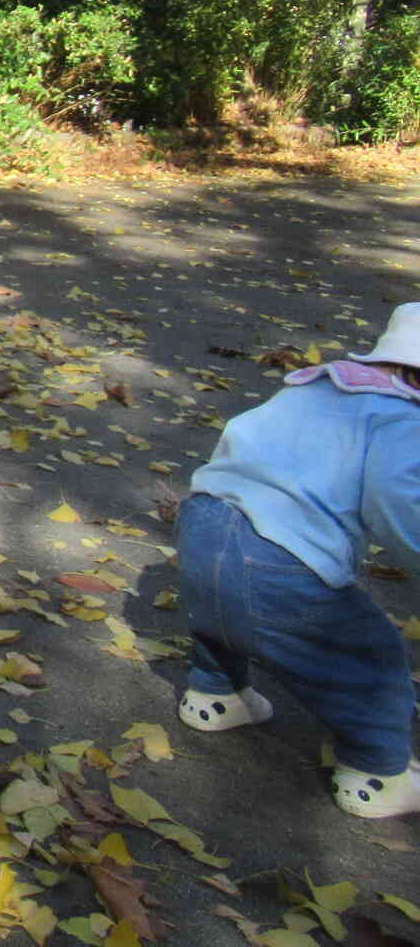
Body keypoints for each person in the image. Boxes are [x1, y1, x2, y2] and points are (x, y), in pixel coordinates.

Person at [175, 302, 420, 819]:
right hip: (280, 554)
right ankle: (375, 774)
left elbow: (241, 434)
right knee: (369, 658)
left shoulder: (313, 386)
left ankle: (215, 696)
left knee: (219, 613)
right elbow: (398, 500)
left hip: (203, 517)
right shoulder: (401, 418)